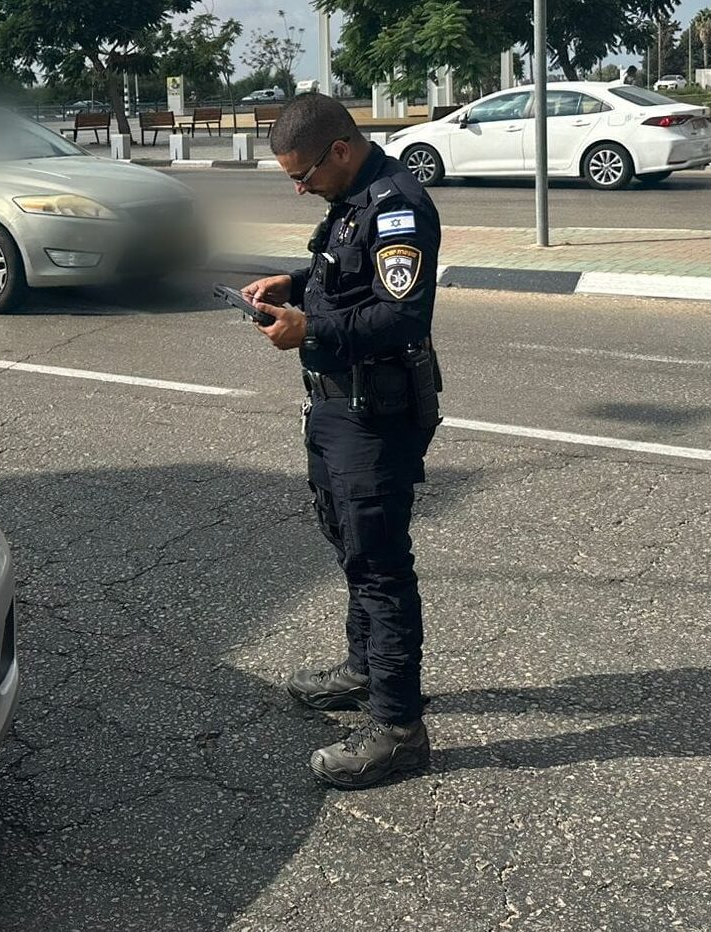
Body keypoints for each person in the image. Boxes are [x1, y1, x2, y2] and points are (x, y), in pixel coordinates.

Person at [242, 94, 443, 789]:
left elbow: (403, 316)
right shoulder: (352, 199)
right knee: (348, 542)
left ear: (340, 150)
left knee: (380, 564)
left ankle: (399, 729)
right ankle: (365, 671)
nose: (299, 189)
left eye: (303, 175)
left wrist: (312, 329)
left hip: (376, 414)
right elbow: (346, 277)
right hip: (336, 405)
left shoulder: (397, 205)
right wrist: (293, 283)